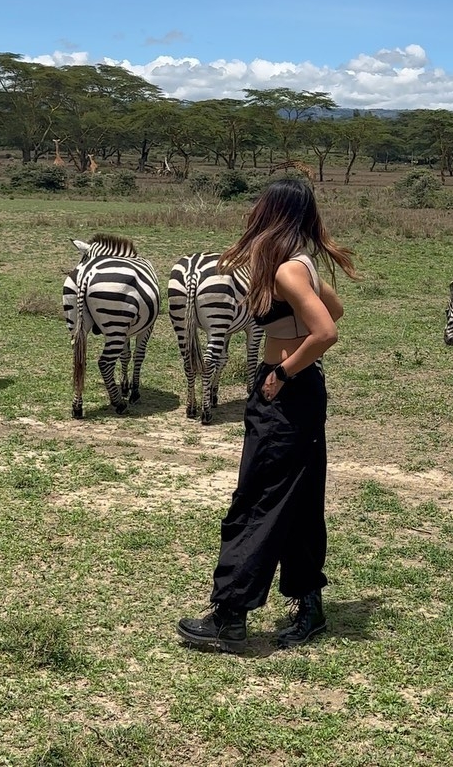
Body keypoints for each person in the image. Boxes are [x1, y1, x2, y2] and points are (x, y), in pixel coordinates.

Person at [177, 178, 357, 652]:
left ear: (273, 212)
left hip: (287, 391)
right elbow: (335, 310)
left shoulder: (287, 273)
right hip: (302, 394)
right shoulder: (299, 265)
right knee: (296, 499)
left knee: (256, 498)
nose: (251, 210)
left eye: (259, 204)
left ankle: (230, 615)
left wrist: (282, 373)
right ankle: (310, 607)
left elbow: (325, 332)